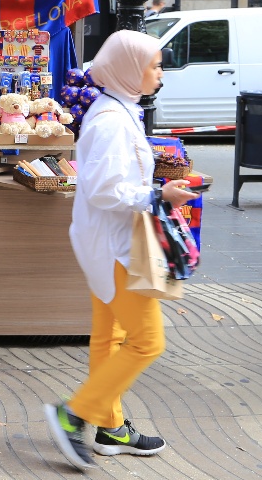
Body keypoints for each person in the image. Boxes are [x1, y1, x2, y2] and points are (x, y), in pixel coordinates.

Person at [44, 30, 198, 471]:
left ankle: (109, 427)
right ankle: (73, 414)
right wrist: (157, 196)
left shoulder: (119, 110)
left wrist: (158, 190)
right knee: (147, 342)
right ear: (131, 70)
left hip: (108, 240)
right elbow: (105, 188)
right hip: (114, 245)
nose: (160, 72)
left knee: (108, 337)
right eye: (155, 64)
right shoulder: (112, 119)